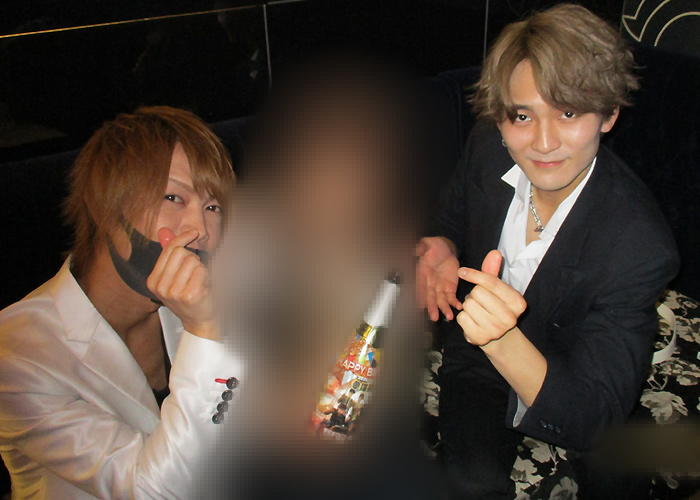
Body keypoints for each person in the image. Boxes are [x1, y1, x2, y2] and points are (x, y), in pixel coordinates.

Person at [416, 5, 680, 498]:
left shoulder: (640, 247)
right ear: (501, 120)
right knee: (470, 480)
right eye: (522, 115)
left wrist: (502, 338)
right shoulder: (487, 148)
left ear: (609, 114)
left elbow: (591, 419)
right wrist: (443, 246)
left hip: (577, 362)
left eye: (568, 112)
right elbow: (450, 216)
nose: (542, 142)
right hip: (478, 360)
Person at [0, 106, 242, 499]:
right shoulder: (15, 355)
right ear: (105, 209)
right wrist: (204, 332)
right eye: (172, 197)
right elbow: (155, 491)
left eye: (213, 207)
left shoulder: (203, 296)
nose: (199, 229)